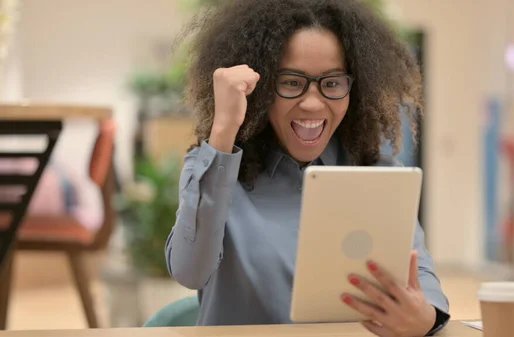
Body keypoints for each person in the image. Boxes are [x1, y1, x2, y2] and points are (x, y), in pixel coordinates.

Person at [165, 0, 450, 335]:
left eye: (331, 83)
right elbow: (188, 270)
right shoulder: (215, 170)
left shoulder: (378, 175)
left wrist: (425, 318)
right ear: (262, 89)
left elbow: (425, 285)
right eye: (290, 82)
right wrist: (224, 128)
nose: (313, 103)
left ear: (353, 91)